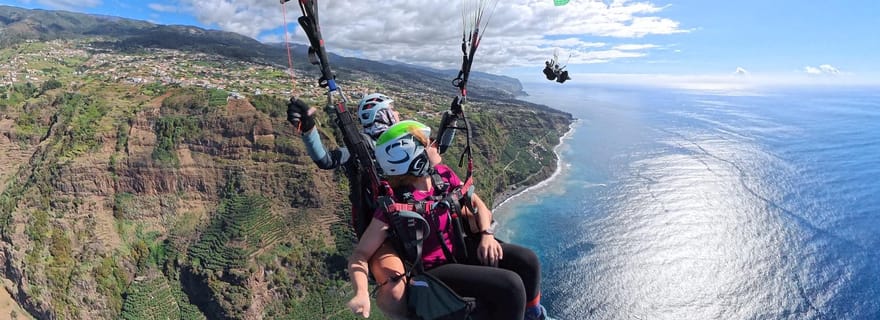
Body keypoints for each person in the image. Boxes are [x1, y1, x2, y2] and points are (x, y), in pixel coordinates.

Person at [346, 120, 553, 320]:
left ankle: (533, 316)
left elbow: (477, 204)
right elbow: (361, 254)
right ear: (413, 156)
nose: (436, 146)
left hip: (459, 251)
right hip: (434, 272)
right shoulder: (395, 205)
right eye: (428, 144)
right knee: (511, 285)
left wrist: (486, 235)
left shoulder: (443, 177)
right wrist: (361, 292)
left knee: (528, 260)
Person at [288, 93, 411, 318]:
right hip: (381, 229)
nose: (398, 114)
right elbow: (326, 160)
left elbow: (435, 156)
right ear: (382, 115)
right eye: (393, 110)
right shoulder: (361, 150)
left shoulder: (406, 143)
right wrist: (308, 130)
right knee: (396, 289)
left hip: (412, 219)